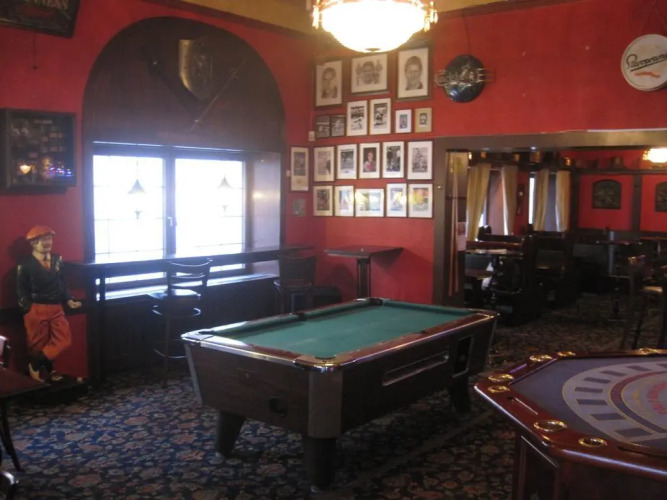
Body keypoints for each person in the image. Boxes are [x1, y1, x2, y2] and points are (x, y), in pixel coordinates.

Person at [16, 225, 82, 382]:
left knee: (63, 339)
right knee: (37, 344)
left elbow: (62, 282)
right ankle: (46, 375)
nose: (48, 243)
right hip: (36, 307)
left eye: (49, 239)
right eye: (43, 240)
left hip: (56, 307)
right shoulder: (25, 264)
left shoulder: (57, 259)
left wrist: (68, 299)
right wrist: (29, 309)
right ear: (34, 243)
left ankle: (35, 365)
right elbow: (21, 290)